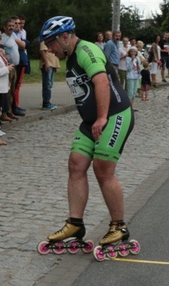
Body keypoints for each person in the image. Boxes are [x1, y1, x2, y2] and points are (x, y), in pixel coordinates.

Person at [37, 16, 135, 251]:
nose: (48, 49)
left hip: (115, 115)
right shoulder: (70, 58)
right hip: (93, 120)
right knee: (76, 164)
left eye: (50, 43)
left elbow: (101, 82)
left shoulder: (86, 50)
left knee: (102, 167)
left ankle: (119, 226)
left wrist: (102, 118)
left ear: (64, 37)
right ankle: (75, 224)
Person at [0, 17, 23, 116]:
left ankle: (10, 111)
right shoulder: (2, 37)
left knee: (12, 91)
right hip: (7, 67)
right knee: (7, 91)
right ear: (4, 27)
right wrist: (4, 55)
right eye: (9, 26)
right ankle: (5, 112)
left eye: (12, 26)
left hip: (14, 67)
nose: (11, 28)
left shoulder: (13, 36)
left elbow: (23, 45)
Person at [12, 15, 28, 116]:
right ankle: (13, 106)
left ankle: (15, 105)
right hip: (14, 63)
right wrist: (24, 43)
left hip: (21, 60)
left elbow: (24, 45)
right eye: (17, 23)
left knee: (17, 85)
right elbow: (23, 45)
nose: (19, 26)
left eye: (20, 23)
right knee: (14, 85)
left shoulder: (22, 32)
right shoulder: (12, 35)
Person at [39, 39, 59, 110]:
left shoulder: (54, 39)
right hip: (48, 64)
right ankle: (46, 103)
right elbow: (42, 51)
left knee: (50, 84)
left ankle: (48, 102)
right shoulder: (44, 39)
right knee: (47, 84)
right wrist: (46, 62)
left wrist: (56, 65)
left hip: (53, 64)